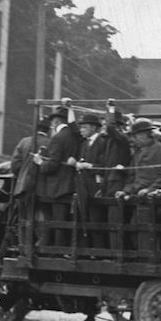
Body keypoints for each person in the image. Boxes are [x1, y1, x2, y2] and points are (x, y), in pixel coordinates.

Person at [115, 118, 161, 252]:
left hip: (155, 199)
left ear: (144, 134)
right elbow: (132, 176)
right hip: (138, 198)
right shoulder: (138, 152)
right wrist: (125, 191)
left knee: (151, 230)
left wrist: (150, 189)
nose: (134, 139)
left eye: (135, 136)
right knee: (135, 229)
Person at [33, 105, 82, 250]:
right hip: (72, 184)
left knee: (58, 220)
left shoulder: (57, 138)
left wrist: (41, 162)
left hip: (58, 186)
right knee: (66, 219)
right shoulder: (75, 136)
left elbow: (53, 164)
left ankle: (57, 250)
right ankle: (63, 249)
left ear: (55, 122)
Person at [101, 107, 133, 251]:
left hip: (117, 184)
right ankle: (115, 251)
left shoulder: (122, 139)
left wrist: (110, 109)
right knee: (111, 220)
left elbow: (110, 128)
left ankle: (117, 253)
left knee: (115, 220)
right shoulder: (111, 141)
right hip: (110, 184)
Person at [74, 113, 108, 249]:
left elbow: (106, 165)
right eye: (81, 127)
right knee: (85, 219)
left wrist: (90, 166)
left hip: (97, 188)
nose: (81, 130)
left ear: (94, 127)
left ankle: (99, 251)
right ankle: (89, 250)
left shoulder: (102, 142)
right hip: (84, 188)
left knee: (96, 220)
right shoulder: (84, 144)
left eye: (84, 127)